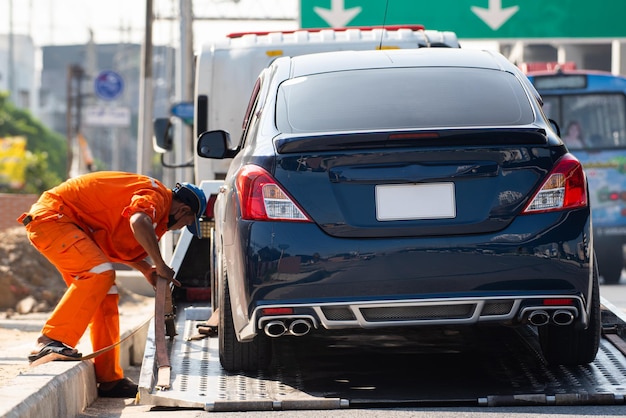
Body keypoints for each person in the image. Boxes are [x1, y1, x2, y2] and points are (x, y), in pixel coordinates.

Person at [16, 171, 207, 398]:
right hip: (54, 218)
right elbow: (138, 220)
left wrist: (147, 269)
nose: (181, 227)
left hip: (68, 225)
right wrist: (159, 263)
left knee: (107, 293)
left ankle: (109, 379)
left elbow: (119, 242)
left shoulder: (158, 205)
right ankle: (48, 341)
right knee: (99, 273)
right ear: (184, 210)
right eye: (186, 223)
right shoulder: (156, 195)